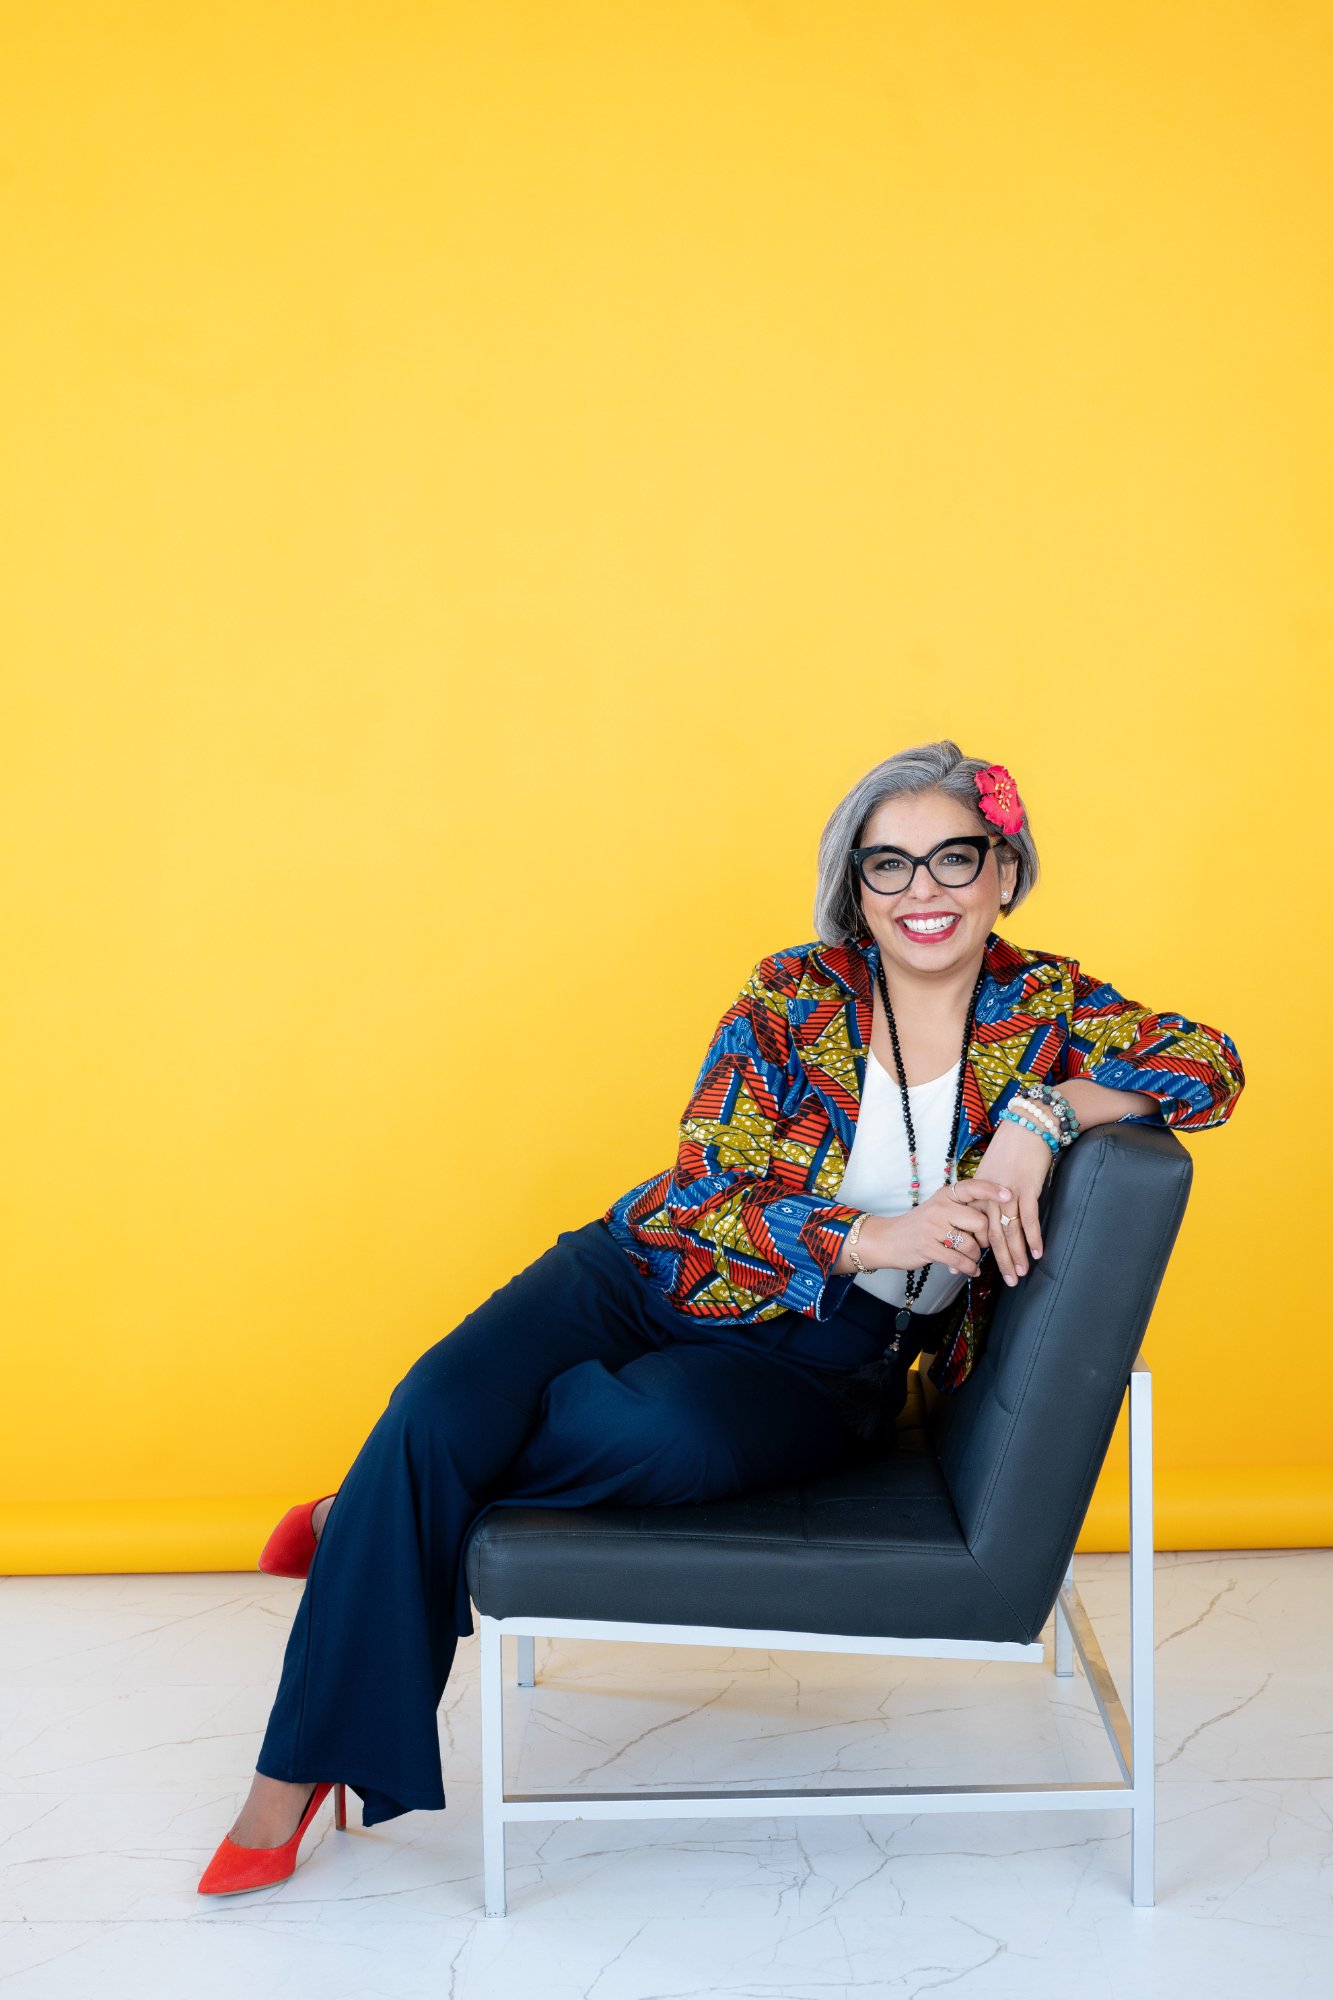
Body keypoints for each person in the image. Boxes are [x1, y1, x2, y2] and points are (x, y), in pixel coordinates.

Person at [197, 739, 1244, 1894]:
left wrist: (1042, 1111)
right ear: (855, 888)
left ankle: (377, 1509)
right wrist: (872, 1236)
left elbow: (1212, 1064)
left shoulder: (1047, 1006)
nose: (921, 892)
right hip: (637, 1269)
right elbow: (703, 1187)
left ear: (1005, 868)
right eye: (885, 866)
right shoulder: (791, 994)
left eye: (954, 856)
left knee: (656, 1437)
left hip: (816, 1356)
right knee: (434, 1403)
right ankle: (287, 1777)